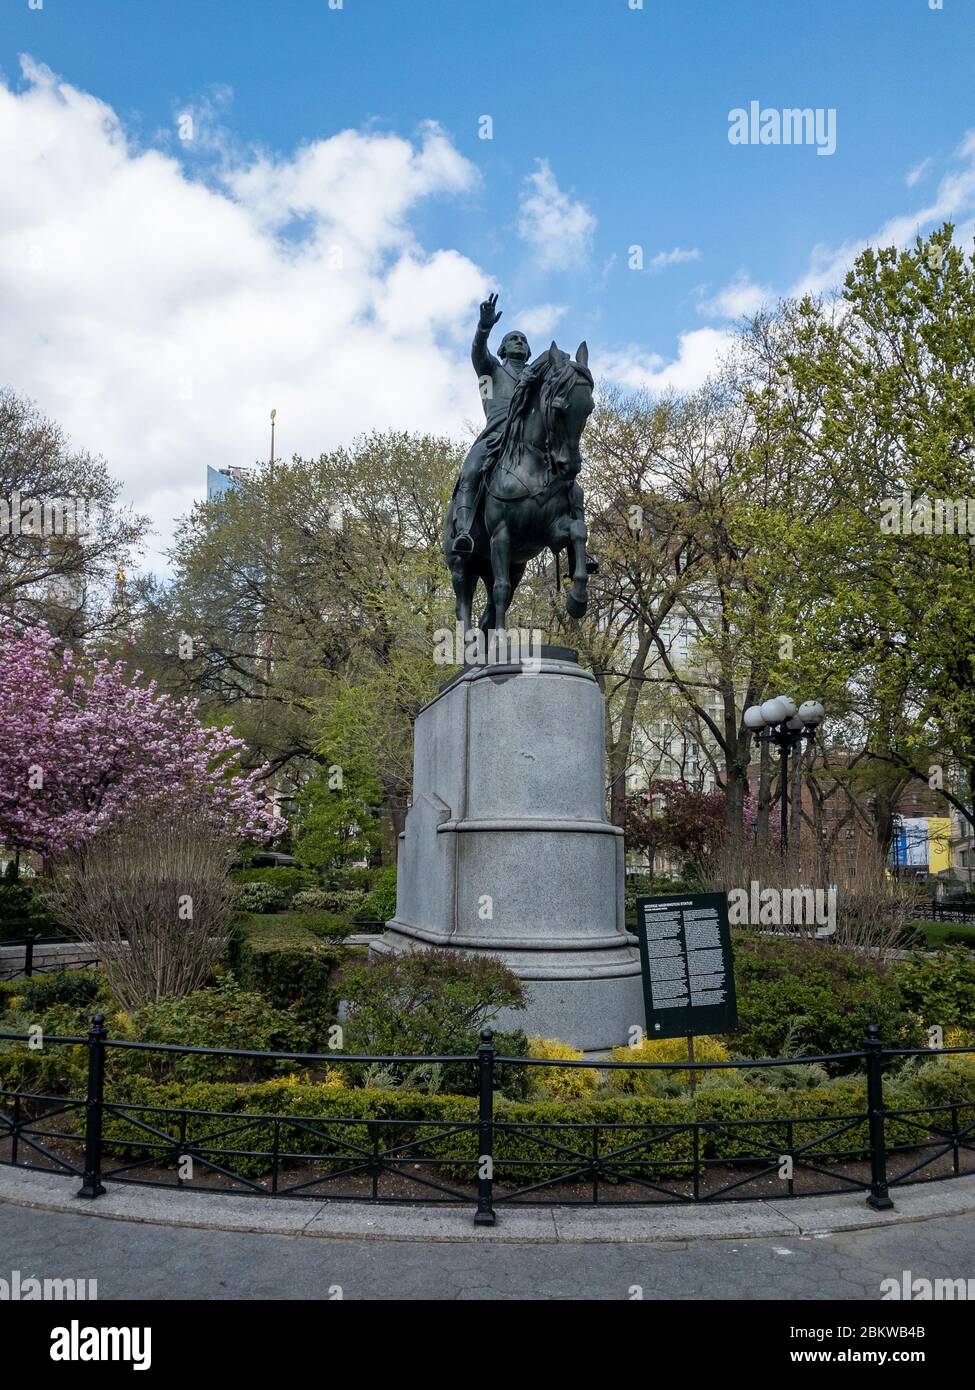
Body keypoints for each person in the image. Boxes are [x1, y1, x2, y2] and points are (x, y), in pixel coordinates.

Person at [450, 293, 532, 554]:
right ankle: (463, 531)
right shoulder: (492, 371)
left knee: (568, 478)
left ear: (528, 350)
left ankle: (577, 545)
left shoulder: (537, 377)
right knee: (471, 471)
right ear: (503, 349)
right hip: (495, 437)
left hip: (531, 441)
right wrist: (484, 327)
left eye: (523, 340)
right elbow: (477, 351)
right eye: (512, 339)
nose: (518, 342)